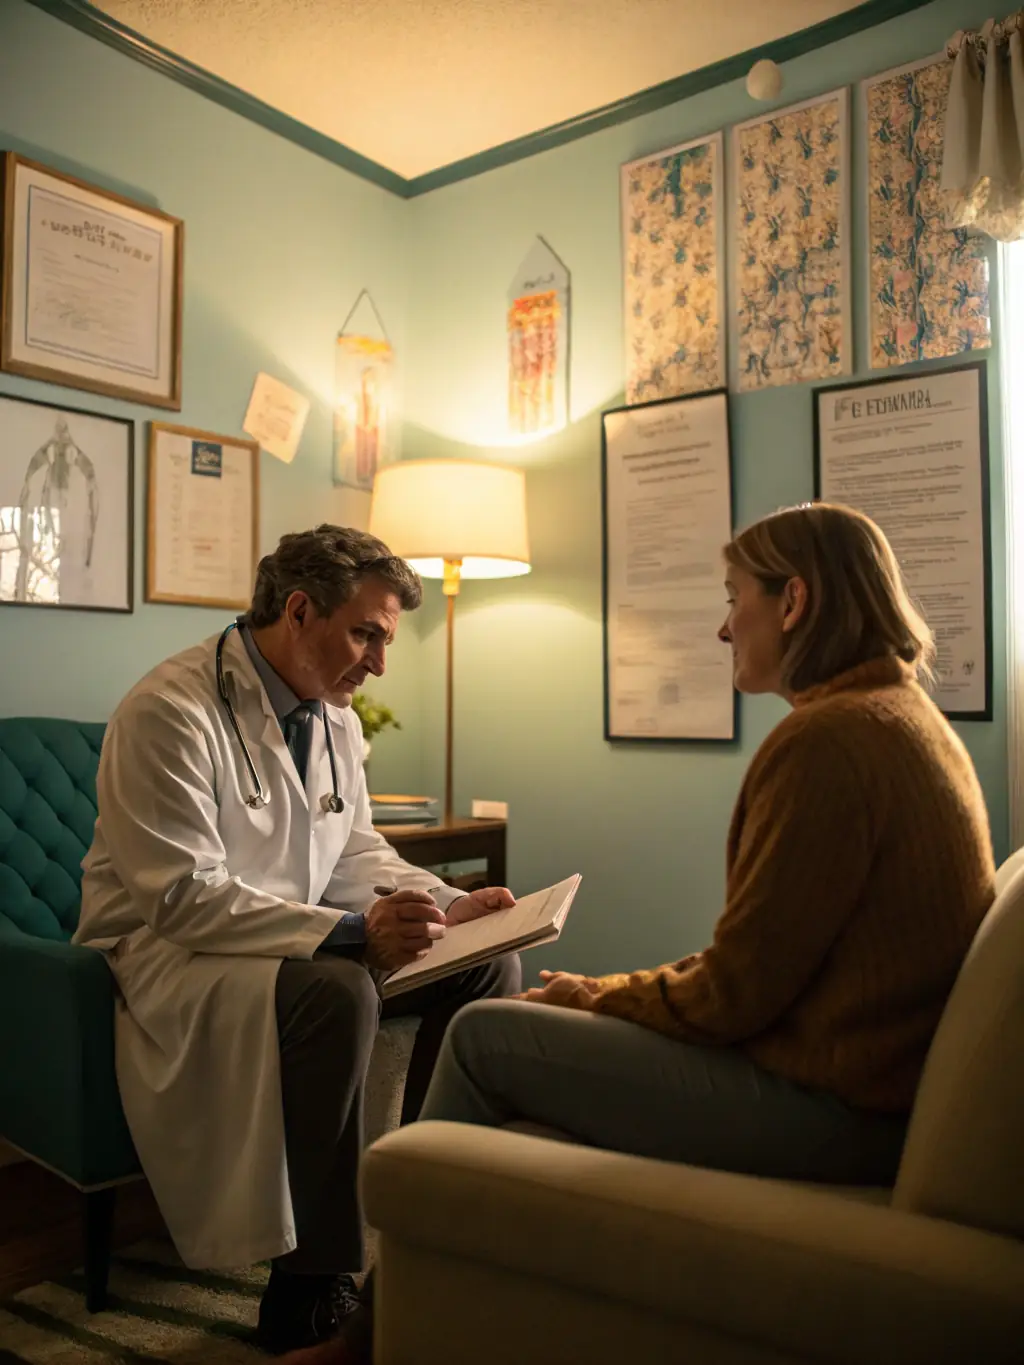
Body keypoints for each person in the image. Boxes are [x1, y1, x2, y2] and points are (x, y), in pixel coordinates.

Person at [310, 501, 996, 1365]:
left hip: (835, 1110)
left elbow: (735, 993)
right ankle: (461, 1310)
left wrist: (597, 996)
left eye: (732, 595)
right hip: (859, 1085)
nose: (720, 626)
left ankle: (371, 1340)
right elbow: (762, 967)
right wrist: (608, 1001)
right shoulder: (899, 721)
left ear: (794, 603)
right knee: (538, 1020)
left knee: (489, 1036)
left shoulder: (831, 742)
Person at [73, 525, 521, 1356]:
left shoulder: (335, 717)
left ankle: (426, 1221)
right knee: (340, 987)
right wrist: (353, 933)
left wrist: (450, 908)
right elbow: (180, 896)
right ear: (301, 608)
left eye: (386, 639)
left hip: (278, 940)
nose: (380, 662)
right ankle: (311, 1285)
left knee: (490, 961)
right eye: (367, 634)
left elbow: (353, 851)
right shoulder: (168, 710)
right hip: (171, 955)